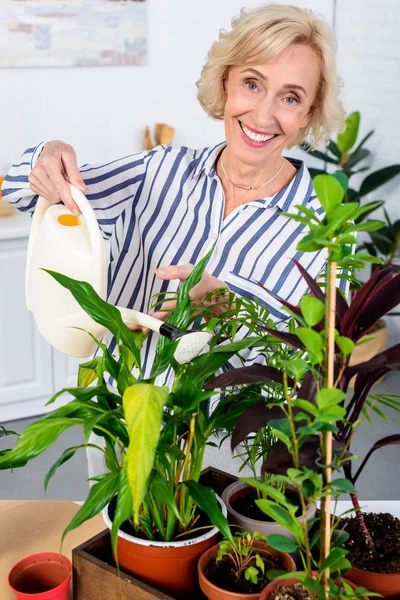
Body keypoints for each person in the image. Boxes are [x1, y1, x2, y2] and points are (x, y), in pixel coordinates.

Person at [2, 4, 346, 392]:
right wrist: (49, 154)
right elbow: (21, 193)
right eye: (252, 84)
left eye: (290, 98)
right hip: (121, 423)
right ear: (224, 82)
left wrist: (234, 311)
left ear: (308, 113)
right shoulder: (156, 172)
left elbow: (318, 369)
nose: (264, 115)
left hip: (234, 444)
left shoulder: (325, 227)